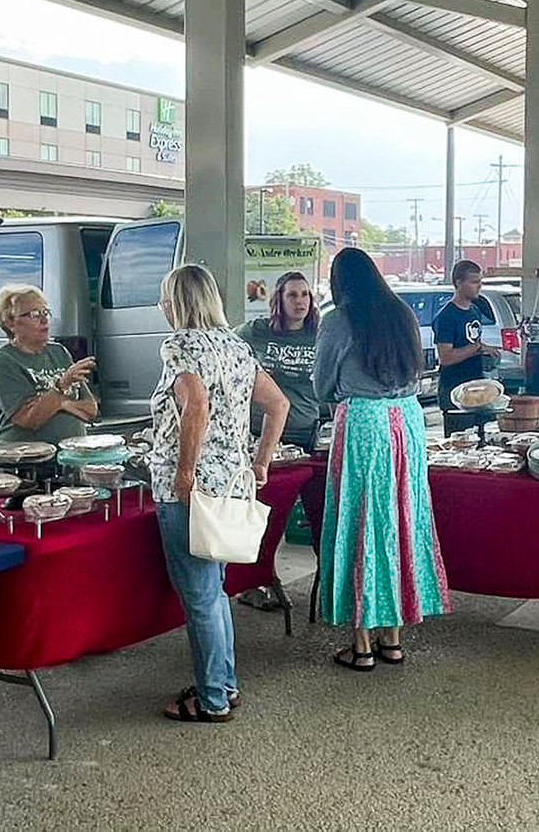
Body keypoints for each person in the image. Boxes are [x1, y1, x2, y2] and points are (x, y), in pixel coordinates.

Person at [147, 265, 288, 722]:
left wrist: (185, 472)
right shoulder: (238, 347)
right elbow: (278, 404)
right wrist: (261, 461)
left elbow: (196, 406)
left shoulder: (178, 346)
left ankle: (211, 699)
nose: (161, 307)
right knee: (215, 590)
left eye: (165, 298)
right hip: (229, 483)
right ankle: (224, 684)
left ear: (177, 303)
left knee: (200, 596)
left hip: (189, 490)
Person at [314, 247, 449, 671]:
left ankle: (361, 645)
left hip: (363, 424)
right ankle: (392, 638)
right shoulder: (402, 313)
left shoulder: (339, 319)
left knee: (362, 524)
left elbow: (322, 383)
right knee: (399, 521)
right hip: (407, 424)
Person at [235, 270, 321, 613]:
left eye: (304, 295)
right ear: (279, 301)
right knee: (263, 513)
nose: (300, 301)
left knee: (315, 509)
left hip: (305, 431)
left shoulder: (319, 334)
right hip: (264, 435)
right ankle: (256, 581)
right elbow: (227, 350)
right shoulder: (256, 332)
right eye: (292, 295)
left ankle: (327, 579)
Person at [0, 284, 98, 445]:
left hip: (73, 454)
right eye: (34, 314)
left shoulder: (59, 352)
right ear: (10, 322)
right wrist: (61, 386)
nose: (44, 320)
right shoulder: (2, 361)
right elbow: (29, 420)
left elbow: (90, 410)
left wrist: (57, 403)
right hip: (28, 461)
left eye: (46, 312)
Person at [432, 261, 495, 408]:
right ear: (458, 283)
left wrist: (486, 350)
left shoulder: (475, 310)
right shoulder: (447, 316)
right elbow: (446, 357)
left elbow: (471, 343)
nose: (479, 286)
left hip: (476, 384)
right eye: (474, 282)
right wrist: (476, 347)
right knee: (459, 430)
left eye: (480, 281)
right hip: (455, 388)